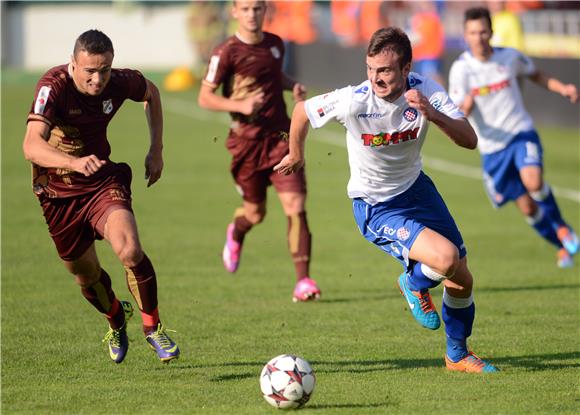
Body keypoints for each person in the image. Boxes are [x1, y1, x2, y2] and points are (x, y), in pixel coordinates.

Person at [275, 27, 498, 373]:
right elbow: (302, 110)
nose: (375, 79)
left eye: (385, 71)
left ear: (407, 69)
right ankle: (412, 281)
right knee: (447, 258)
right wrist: (296, 153)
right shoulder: (355, 100)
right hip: (376, 206)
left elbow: (469, 139)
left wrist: (433, 114)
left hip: (418, 190)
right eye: (370, 69)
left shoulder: (425, 91)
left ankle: (457, 355)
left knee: (462, 278)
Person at [22, 29, 180, 364]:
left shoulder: (119, 81)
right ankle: (115, 318)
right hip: (57, 194)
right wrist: (72, 162)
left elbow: (151, 93)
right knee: (86, 275)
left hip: (101, 183)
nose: (98, 78)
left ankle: (153, 329)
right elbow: (31, 146)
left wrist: (157, 149)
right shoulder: (53, 87)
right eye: (90, 71)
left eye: (105, 69)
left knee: (130, 249)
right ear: (72, 65)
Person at [197, 0, 321, 302]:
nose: (252, 14)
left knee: (295, 206)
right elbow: (205, 97)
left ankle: (303, 281)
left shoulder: (276, 44)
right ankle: (237, 233)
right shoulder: (225, 51)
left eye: (257, 8)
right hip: (247, 146)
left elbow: (272, 76)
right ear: (235, 12)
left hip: (281, 138)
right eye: (246, 9)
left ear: (265, 11)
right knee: (255, 214)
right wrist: (239, 105)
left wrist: (291, 85)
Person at [448, 7, 579, 268]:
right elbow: (456, 111)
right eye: (473, 32)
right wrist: (466, 106)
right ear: (466, 35)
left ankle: (563, 228)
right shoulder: (461, 69)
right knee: (528, 208)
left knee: (533, 181)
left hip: (520, 133)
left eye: (483, 31)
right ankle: (562, 246)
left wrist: (562, 88)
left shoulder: (509, 57)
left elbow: (536, 75)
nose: (479, 37)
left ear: (492, 32)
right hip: (491, 149)